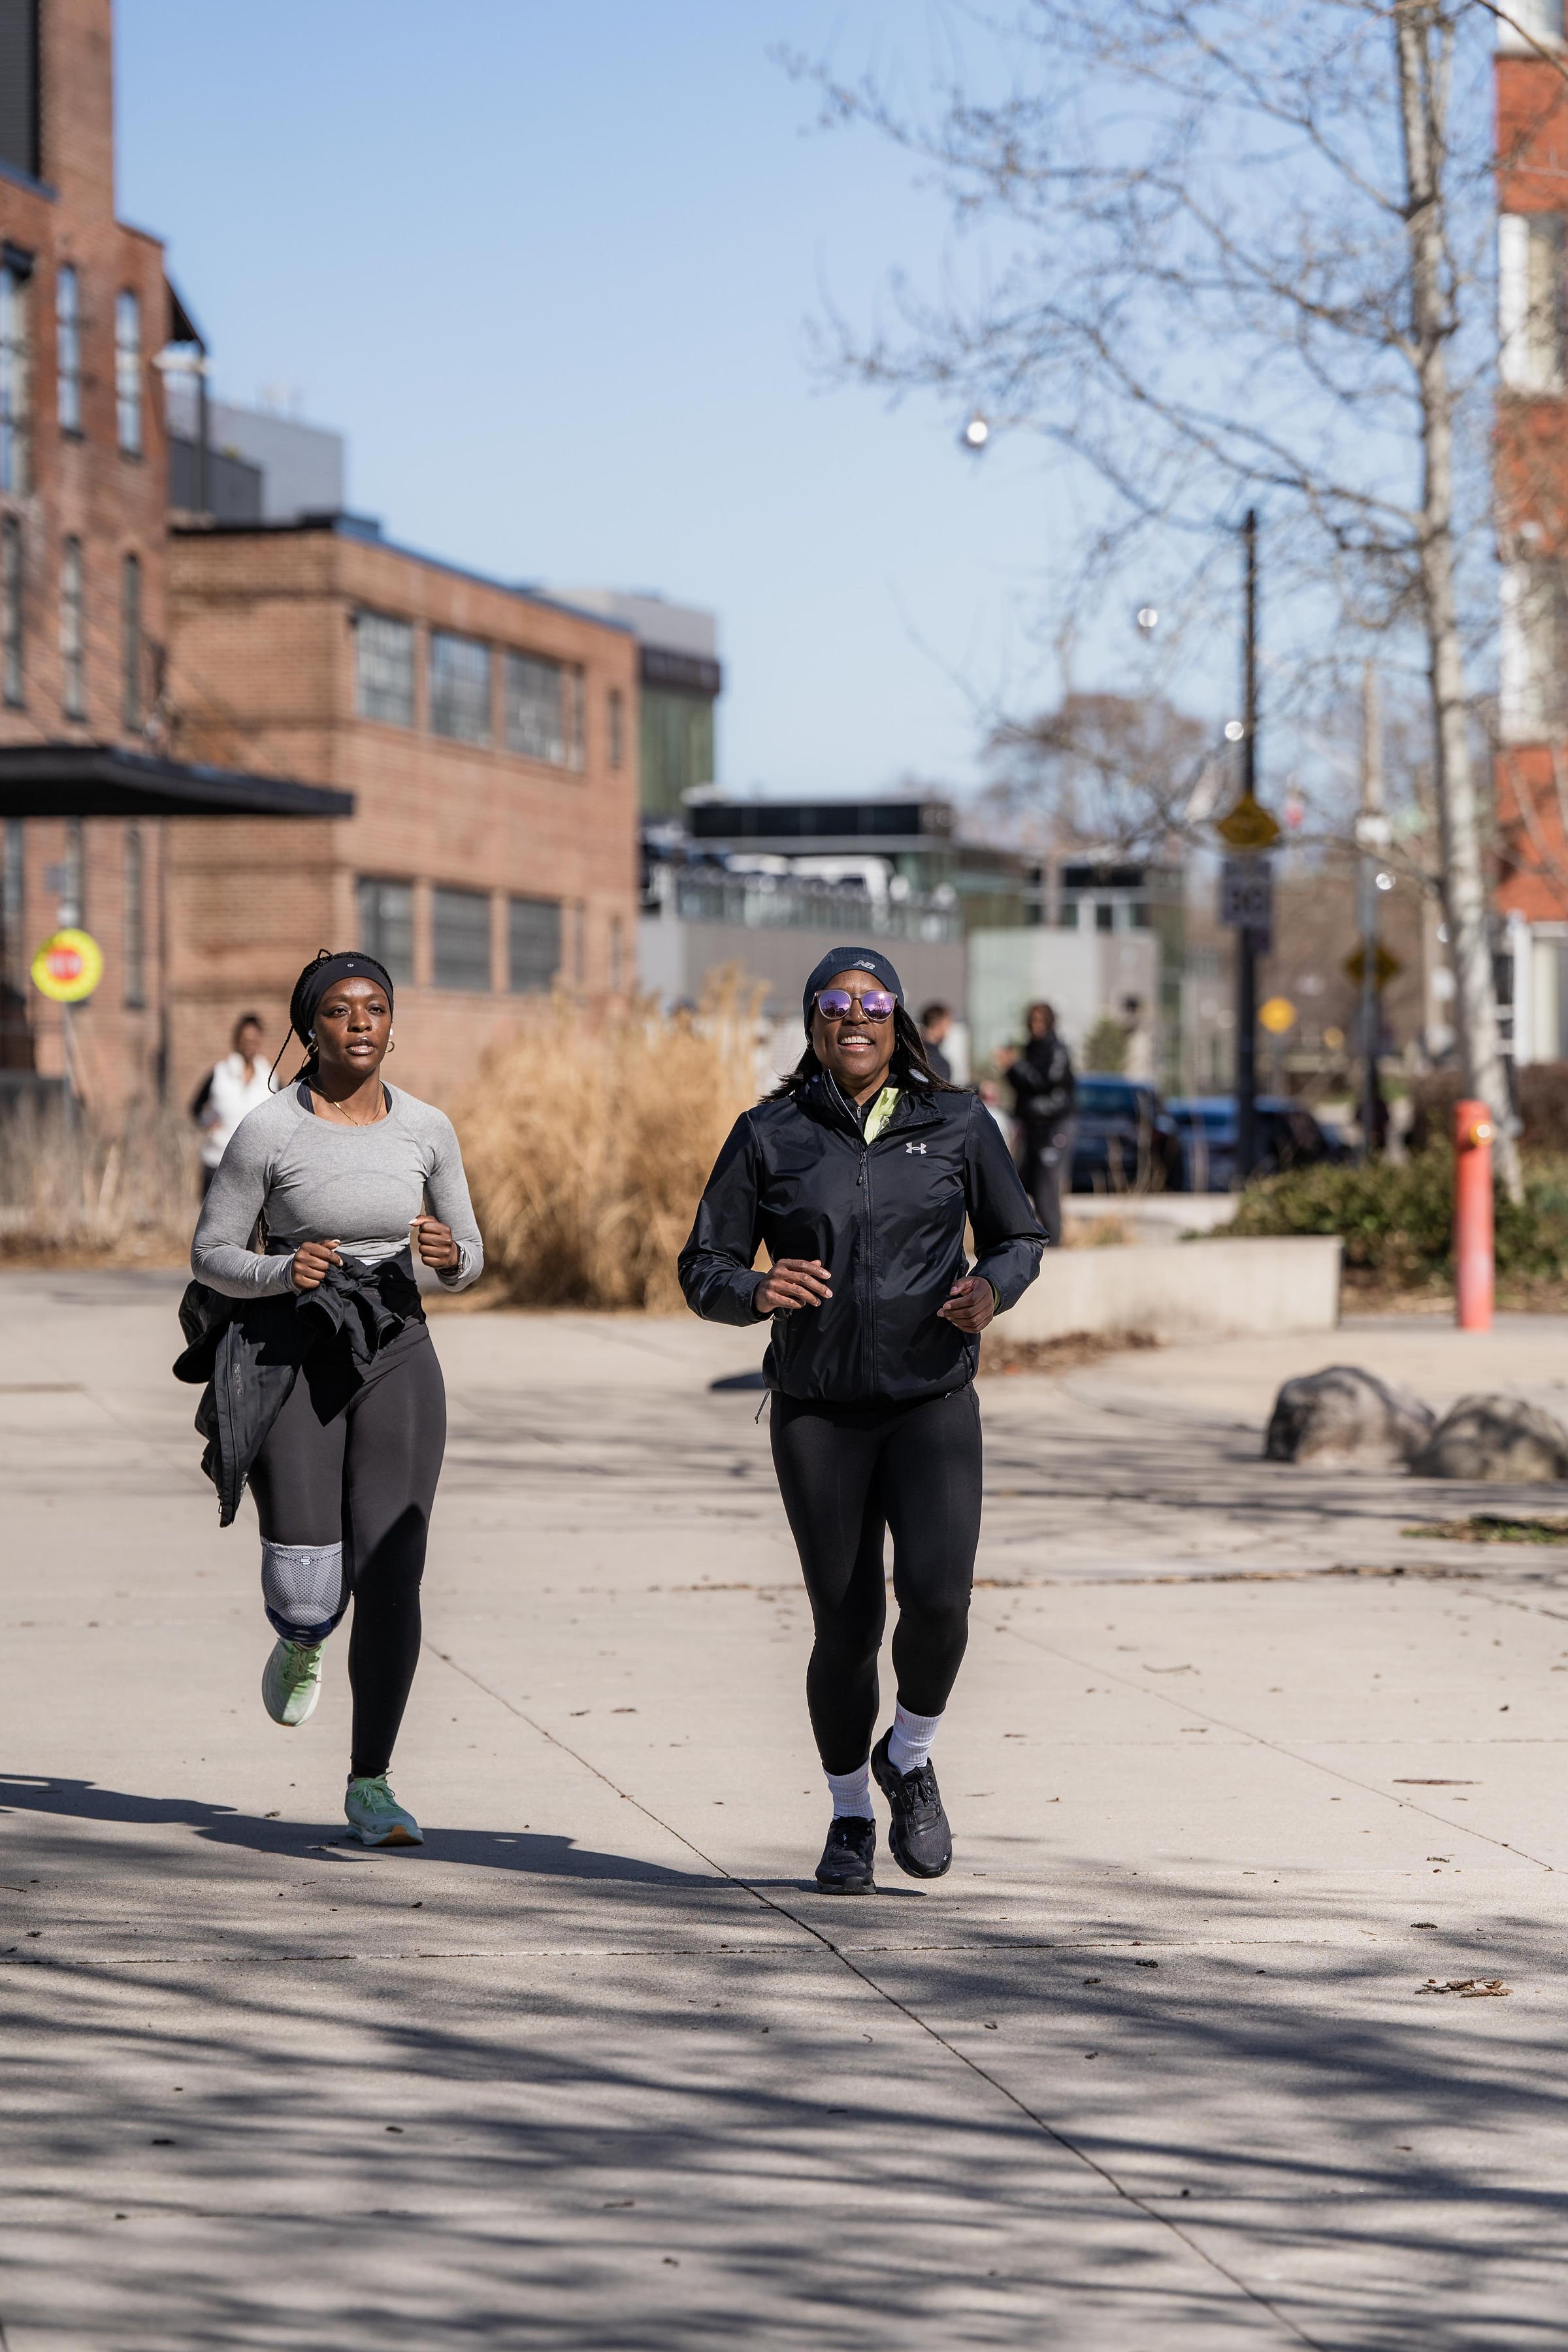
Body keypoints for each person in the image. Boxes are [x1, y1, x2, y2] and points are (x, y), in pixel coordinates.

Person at [679, 947, 1044, 1895]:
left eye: (873, 1001)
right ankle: (849, 1817)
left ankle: (910, 1755)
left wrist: (990, 1289)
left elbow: (1020, 1235)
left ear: (898, 1021)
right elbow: (702, 1268)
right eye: (836, 1002)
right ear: (812, 1022)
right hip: (818, 1415)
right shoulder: (770, 1133)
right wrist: (759, 1289)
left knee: (938, 1602)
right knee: (844, 1628)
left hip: (931, 1404)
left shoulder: (956, 1121)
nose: (856, 1015)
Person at [184, 950, 483, 1848]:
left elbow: (470, 1254)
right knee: (311, 1584)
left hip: (397, 1344)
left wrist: (449, 1258)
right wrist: (282, 1270)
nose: (360, 1021)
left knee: (394, 1571)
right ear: (308, 1028)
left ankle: (372, 1784)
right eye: (340, 1009)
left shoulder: (428, 1128)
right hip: (293, 1350)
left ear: (395, 1026)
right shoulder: (266, 1132)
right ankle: (304, 1635)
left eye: (376, 1008)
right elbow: (209, 1252)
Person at [1006, 1002, 1076, 1247]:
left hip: (1053, 1127)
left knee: (1047, 1188)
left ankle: (1054, 1243)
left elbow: (1045, 1082)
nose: (1035, 1026)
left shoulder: (1056, 1050)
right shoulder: (1031, 1049)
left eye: (1040, 1021)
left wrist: (1016, 1067)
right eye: (1032, 1021)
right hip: (1033, 1127)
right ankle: (1035, 1241)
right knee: (1026, 1183)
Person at [191, 1012, 276, 1196]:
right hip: (217, 1161)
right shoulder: (219, 1074)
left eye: (254, 1040)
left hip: (255, 1167)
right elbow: (195, 1106)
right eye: (246, 1039)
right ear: (237, 1040)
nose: (250, 1044)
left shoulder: (271, 1078)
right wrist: (207, 1123)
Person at [919, 1001, 954, 1083]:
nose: (948, 1030)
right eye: (947, 1024)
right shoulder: (940, 1063)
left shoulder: (913, 1051)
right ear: (937, 1025)